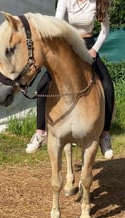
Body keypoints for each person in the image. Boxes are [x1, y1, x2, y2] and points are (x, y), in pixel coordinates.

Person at [26, 0, 115, 160]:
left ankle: (105, 135)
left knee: (108, 87)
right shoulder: (65, 1)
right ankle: (40, 133)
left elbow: (105, 29)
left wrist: (94, 50)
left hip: (89, 46)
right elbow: (58, 23)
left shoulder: (98, 3)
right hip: (68, 45)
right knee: (42, 87)